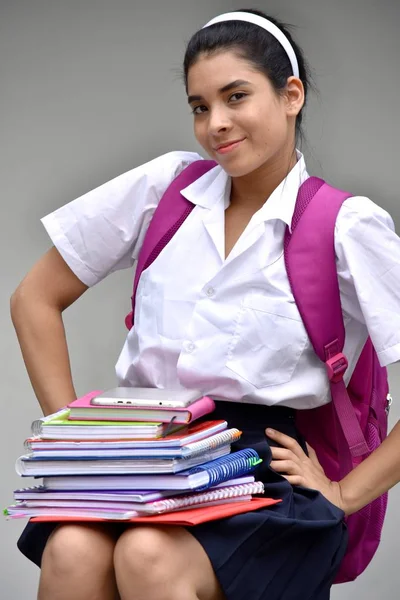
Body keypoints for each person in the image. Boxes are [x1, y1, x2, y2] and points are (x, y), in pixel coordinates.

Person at [10, 8, 400, 600]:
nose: (216, 123)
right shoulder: (166, 190)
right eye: (200, 106)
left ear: (290, 95)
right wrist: (80, 447)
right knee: (70, 548)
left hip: (259, 476)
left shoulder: (344, 225)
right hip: (141, 455)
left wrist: (346, 494)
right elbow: (34, 299)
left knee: (148, 556)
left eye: (236, 96)